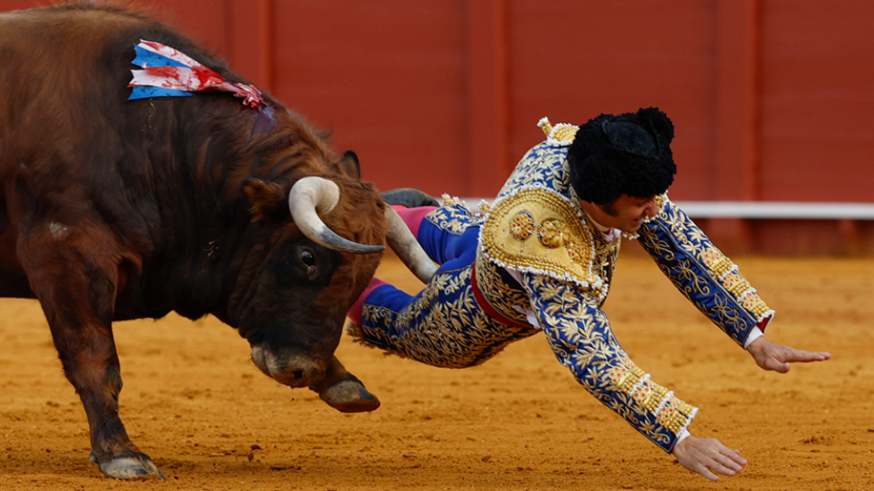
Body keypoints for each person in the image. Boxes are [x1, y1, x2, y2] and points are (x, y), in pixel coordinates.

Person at [343, 107, 831, 481]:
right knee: (411, 328)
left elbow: (682, 249)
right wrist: (677, 436)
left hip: (493, 234)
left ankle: (388, 213)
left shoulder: (601, 162)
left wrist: (753, 338)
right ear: (599, 199)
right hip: (481, 304)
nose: (652, 210)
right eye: (640, 205)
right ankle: (336, 283)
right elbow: (590, 352)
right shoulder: (548, 242)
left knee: (470, 234)